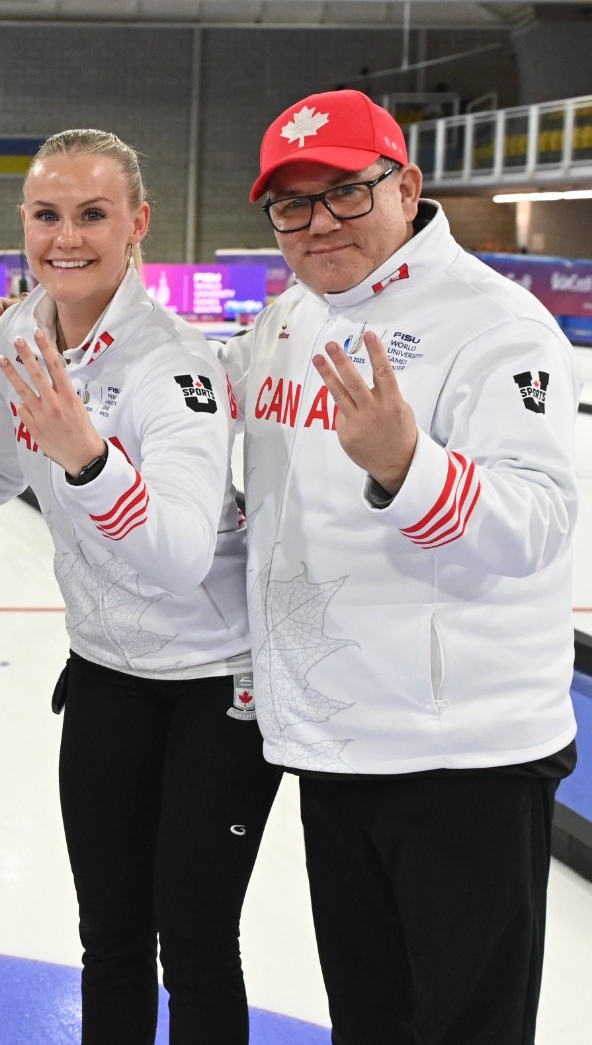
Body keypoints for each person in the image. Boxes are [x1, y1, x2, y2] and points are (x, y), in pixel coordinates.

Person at [225, 88, 577, 1043]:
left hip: (462, 759)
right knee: (371, 1021)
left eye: (344, 192)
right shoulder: (290, 320)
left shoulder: (497, 325)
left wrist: (406, 465)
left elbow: (539, 523)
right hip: (337, 743)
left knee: (465, 1027)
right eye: (292, 205)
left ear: (406, 185)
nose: (318, 223)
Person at [0, 129, 279, 1044]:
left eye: (93, 214)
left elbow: (182, 551)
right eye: (47, 215)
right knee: (108, 935)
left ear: (137, 223)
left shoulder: (173, 366)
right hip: (107, 673)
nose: (66, 236)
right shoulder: (21, 337)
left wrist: (89, 460)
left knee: (192, 941)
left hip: (212, 685)